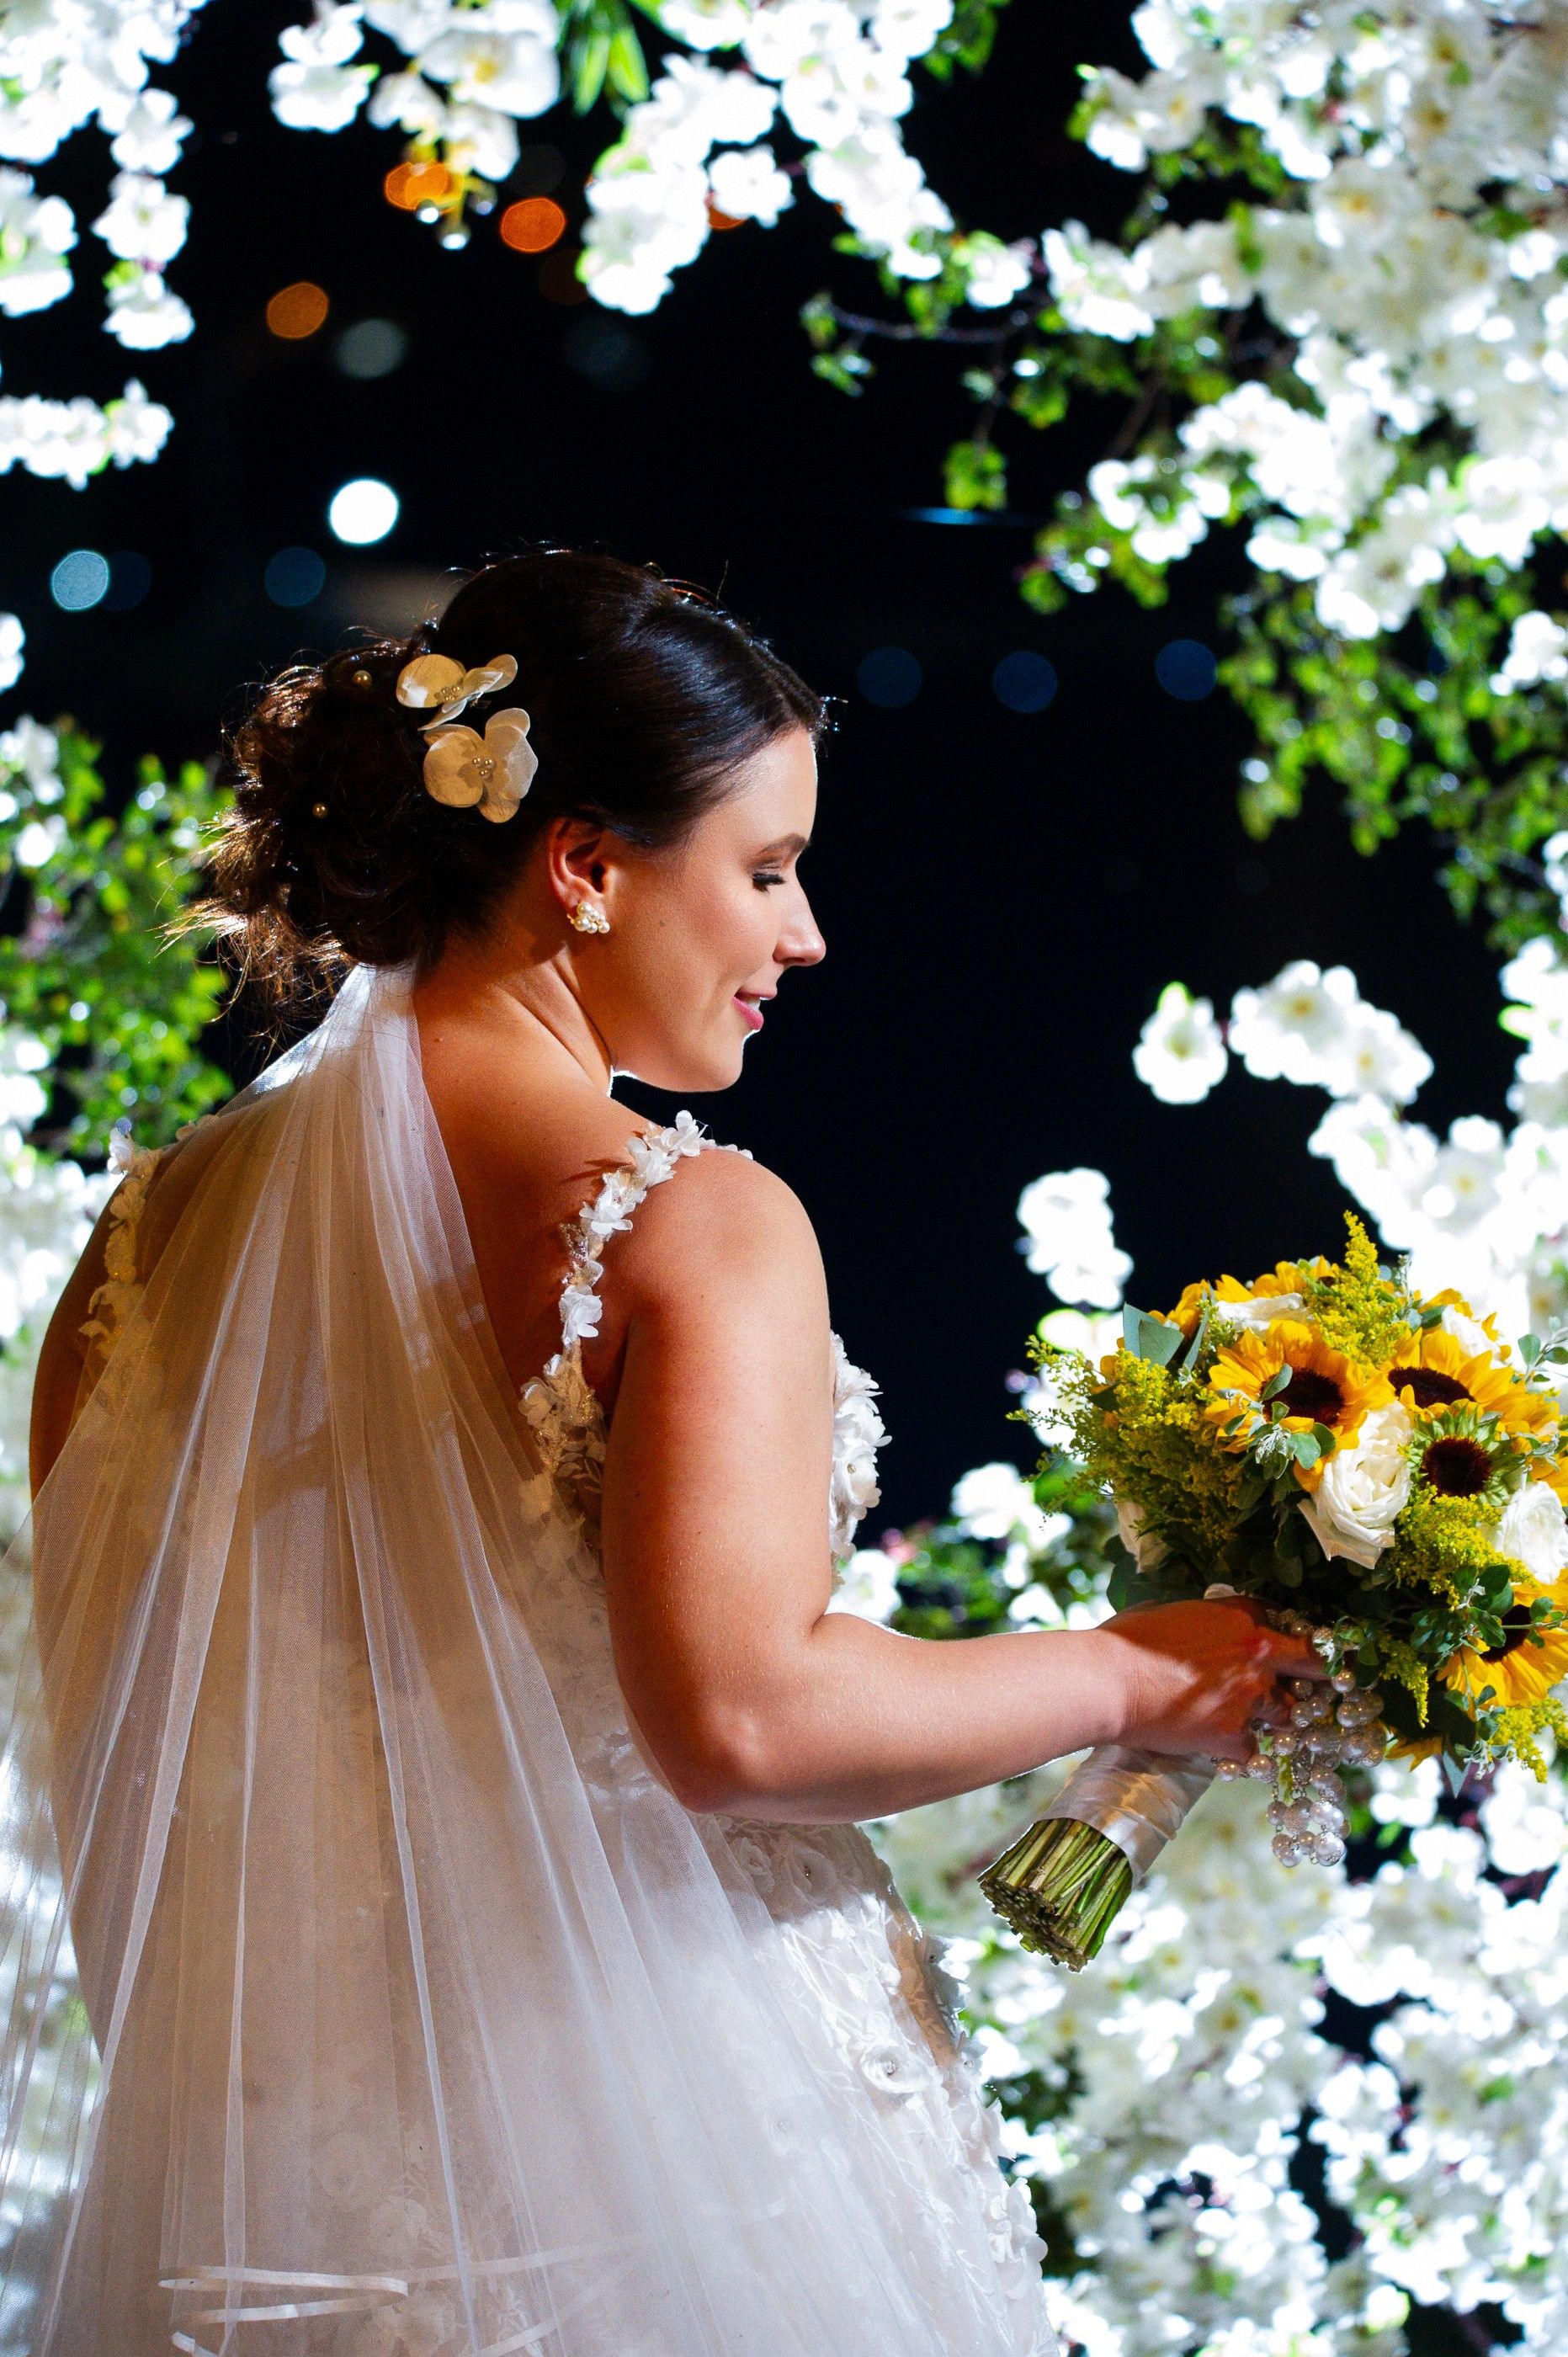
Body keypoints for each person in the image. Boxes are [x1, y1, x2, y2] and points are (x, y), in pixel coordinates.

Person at [12, 548, 1322, 2357]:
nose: (804, 934)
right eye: (767, 869)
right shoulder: (685, 1225)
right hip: (674, 2179)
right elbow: (743, 1720)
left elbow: (109, 1738)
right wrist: (1129, 1671)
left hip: (270, 2200)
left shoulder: (140, 1240)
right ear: (588, 865)